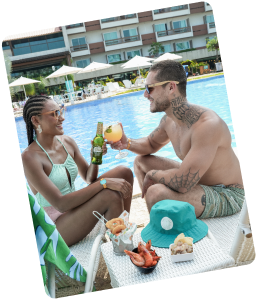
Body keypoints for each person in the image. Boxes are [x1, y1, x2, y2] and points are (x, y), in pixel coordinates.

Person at [108, 60, 245, 219]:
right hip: (199, 181)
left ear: (171, 87)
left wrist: (153, 174)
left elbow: (183, 183)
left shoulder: (207, 126)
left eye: (149, 88)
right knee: (140, 162)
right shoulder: (169, 121)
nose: (145, 95)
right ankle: (153, 220)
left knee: (156, 193)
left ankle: (159, 231)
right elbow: (151, 144)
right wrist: (127, 143)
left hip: (227, 193)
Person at [21, 95, 133, 247]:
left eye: (60, 111)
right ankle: (121, 247)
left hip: (74, 210)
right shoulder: (29, 157)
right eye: (54, 114)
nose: (62, 118)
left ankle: (122, 232)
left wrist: (95, 157)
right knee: (110, 195)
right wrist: (105, 183)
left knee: (124, 172)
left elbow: (88, 178)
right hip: (52, 226)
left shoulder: (67, 141)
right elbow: (61, 204)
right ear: (36, 120)